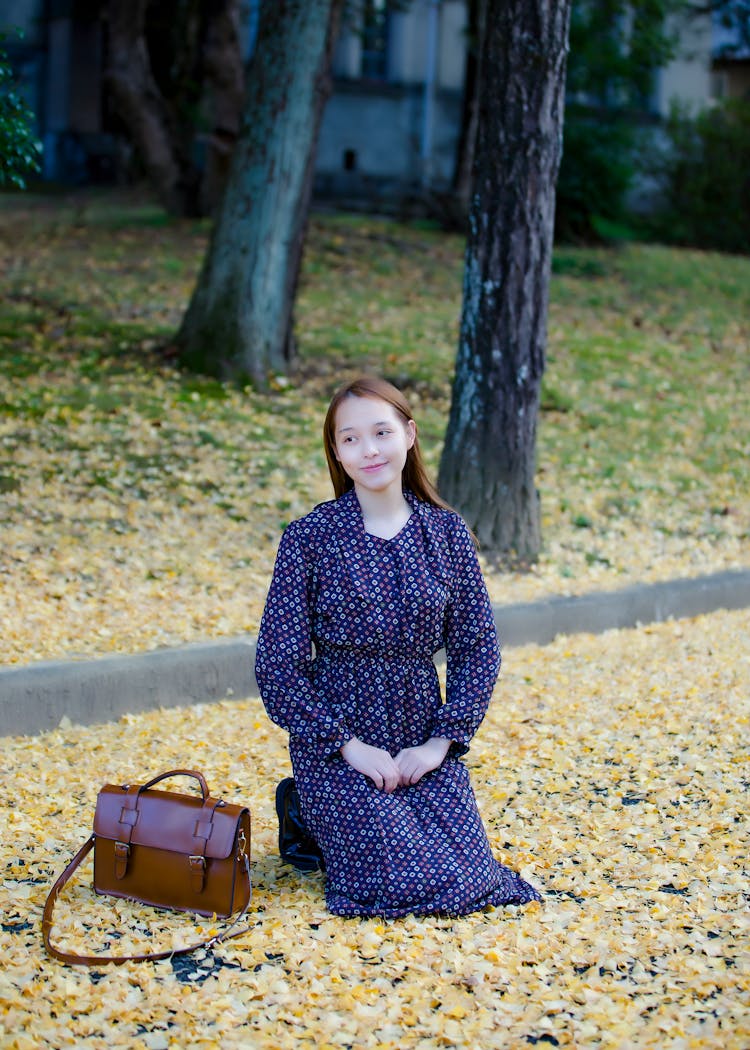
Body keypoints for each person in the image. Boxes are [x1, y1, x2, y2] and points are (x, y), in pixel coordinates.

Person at [255, 375, 541, 917]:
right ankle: (308, 806)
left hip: (418, 732)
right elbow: (278, 667)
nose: (369, 450)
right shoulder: (309, 539)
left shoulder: (447, 534)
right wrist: (344, 745)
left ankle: (308, 818)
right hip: (337, 739)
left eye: (381, 432)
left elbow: (477, 646)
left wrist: (441, 743)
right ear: (337, 453)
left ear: (409, 435)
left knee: (473, 876)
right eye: (350, 439)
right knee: (404, 878)